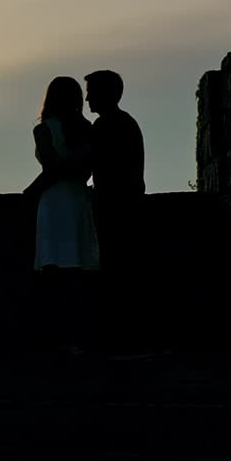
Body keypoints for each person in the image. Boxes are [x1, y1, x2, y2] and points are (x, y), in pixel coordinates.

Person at [28, 77, 99, 353]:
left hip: (55, 200)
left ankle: (55, 340)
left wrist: (31, 190)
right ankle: (76, 339)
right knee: (77, 267)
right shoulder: (86, 128)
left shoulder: (44, 130)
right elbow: (82, 170)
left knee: (54, 267)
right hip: (78, 197)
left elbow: (50, 167)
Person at [83, 69, 146, 352]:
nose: (87, 98)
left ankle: (118, 340)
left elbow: (91, 165)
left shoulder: (107, 126)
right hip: (125, 206)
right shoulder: (125, 123)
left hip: (115, 208)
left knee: (115, 273)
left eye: (92, 91)